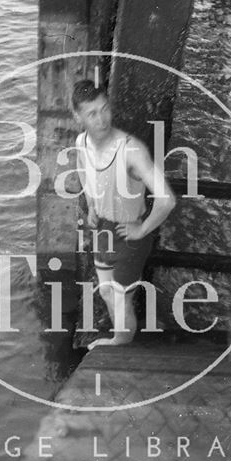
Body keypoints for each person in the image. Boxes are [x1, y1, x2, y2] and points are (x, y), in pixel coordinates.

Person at [72, 79, 175, 350]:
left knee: (120, 299)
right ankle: (120, 340)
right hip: (102, 229)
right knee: (106, 291)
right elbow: (85, 173)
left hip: (128, 235)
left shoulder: (131, 150)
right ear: (78, 116)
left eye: (105, 109)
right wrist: (93, 206)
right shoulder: (81, 142)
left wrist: (142, 229)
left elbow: (167, 199)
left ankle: (121, 343)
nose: (102, 118)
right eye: (92, 113)